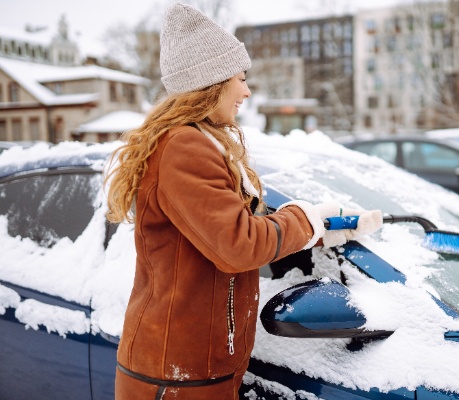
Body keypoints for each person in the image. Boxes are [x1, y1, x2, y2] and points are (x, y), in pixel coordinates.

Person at [104, 3, 383, 399]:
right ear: (212, 82)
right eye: (240, 77)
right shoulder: (185, 147)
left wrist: (322, 228)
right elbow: (239, 245)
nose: (246, 91)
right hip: (177, 379)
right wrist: (306, 221)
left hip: (193, 371)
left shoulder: (194, 142)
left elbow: (235, 224)